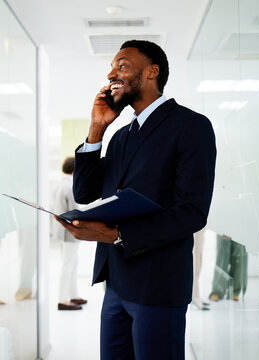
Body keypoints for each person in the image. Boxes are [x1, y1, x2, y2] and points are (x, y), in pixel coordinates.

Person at [55, 40, 216, 359]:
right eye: (112, 67)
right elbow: (85, 193)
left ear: (152, 71)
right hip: (115, 283)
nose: (112, 73)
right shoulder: (119, 137)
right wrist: (96, 129)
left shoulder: (191, 126)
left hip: (158, 284)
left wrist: (115, 235)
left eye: (123, 65)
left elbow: (191, 213)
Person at [53, 157, 87, 310]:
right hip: (69, 232)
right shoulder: (70, 187)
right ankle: (63, 300)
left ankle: (73, 295)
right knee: (68, 265)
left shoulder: (60, 184)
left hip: (61, 231)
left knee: (72, 263)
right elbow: (76, 211)